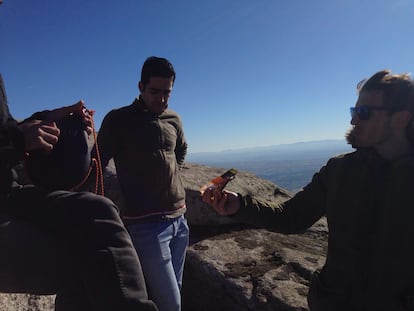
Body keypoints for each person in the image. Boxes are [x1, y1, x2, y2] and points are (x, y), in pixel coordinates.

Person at [202, 69, 414, 311]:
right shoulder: (339, 170)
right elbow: (291, 217)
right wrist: (240, 205)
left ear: (400, 119)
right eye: (353, 111)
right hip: (334, 302)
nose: (353, 120)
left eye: (364, 113)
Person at [0, 4, 158, 308]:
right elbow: (9, 137)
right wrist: (15, 140)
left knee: (98, 212)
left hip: (8, 193)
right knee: (93, 263)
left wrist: (48, 119)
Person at [97, 56, 189, 311]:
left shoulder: (173, 119)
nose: (161, 99)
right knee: (172, 304)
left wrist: (174, 173)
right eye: (154, 91)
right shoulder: (118, 120)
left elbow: (181, 148)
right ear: (140, 87)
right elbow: (97, 162)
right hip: (146, 226)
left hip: (180, 222)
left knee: (174, 292)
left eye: (167, 93)